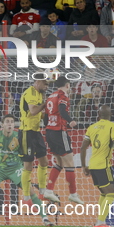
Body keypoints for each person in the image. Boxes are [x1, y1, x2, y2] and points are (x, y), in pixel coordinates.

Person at [0, 114, 54, 226]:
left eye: (11, 122)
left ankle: (45, 219)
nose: (9, 124)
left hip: (16, 169)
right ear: (2, 125)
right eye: (7, 121)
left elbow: (27, 153)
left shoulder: (19, 137)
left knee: (30, 190)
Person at [44, 76, 83, 205]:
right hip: (59, 131)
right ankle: (73, 194)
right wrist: (70, 120)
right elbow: (61, 109)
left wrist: (48, 127)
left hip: (49, 131)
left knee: (59, 162)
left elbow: (46, 115)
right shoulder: (63, 95)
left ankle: (49, 190)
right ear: (67, 85)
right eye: (70, 86)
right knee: (70, 162)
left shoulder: (50, 96)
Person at [18, 79, 51, 207]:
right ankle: (26, 197)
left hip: (36, 131)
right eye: (45, 84)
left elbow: (38, 114)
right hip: (26, 132)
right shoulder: (30, 92)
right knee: (28, 166)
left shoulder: (39, 94)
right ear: (37, 82)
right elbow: (32, 111)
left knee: (44, 162)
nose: (47, 87)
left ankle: (42, 191)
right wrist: (45, 104)